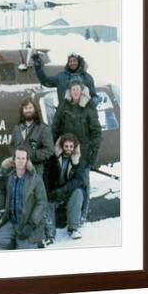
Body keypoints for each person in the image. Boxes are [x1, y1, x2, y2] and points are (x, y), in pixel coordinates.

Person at [51, 77, 102, 220]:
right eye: (73, 89)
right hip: (65, 151)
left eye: (78, 89)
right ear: (69, 91)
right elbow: (55, 127)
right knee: (65, 180)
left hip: (83, 154)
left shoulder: (89, 108)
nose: (75, 92)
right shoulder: (64, 106)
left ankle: (81, 217)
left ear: (82, 90)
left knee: (83, 183)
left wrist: (94, 154)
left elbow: (96, 132)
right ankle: (67, 212)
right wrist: (52, 147)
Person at [0, 147, 48, 250]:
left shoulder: (35, 179)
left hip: (27, 223)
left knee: (24, 249)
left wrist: (31, 224)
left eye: (23, 158)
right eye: (18, 158)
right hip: (13, 222)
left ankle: (35, 242)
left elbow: (42, 202)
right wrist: (0, 187)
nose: (20, 161)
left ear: (27, 161)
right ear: (14, 160)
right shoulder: (10, 177)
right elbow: (0, 203)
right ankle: (17, 241)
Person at [43, 134, 86, 242]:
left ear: (74, 147)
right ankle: (50, 233)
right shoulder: (53, 158)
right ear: (62, 146)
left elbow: (79, 180)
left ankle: (73, 228)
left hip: (68, 191)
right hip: (55, 190)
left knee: (78, 193)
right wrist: (49, 192)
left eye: (71, 146)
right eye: (66, 146)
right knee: (47, 201)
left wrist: (64, 190)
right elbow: (46, 175)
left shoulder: (78, 160)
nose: (68, 149)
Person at [31, 52, 99, 107]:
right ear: (68, 63)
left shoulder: (87, 77)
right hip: (65, 114)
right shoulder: (61, 77)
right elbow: (46, 81)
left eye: (74, 61)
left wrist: (95, 101)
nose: (72, 63)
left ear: (79, 62)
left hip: (83, 115)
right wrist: (38, 68)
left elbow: (94, 95)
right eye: (70, 61)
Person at [9, 97, 54, 177]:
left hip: (35, 169)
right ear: (22, 111)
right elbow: (12, 145)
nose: (28, 110)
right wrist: (17, 157)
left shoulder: (43, 128)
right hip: (18, 169)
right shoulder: (17, 128)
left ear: (35, 110)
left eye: (30, 108)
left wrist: (30, 156)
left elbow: (49, 150)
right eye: (25, 108)